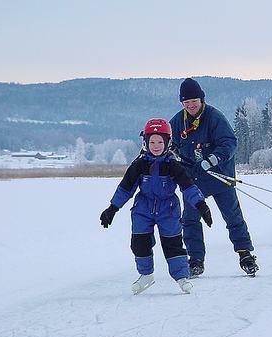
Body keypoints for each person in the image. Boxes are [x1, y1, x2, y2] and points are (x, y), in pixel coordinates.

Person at [99, 118, 213, 294]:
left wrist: (201, 205)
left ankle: (181, 277)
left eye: (160, 141)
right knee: (139, 243)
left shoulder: (173, 165)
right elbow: (125, 188)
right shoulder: (139, 164)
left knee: (172, 244)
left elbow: (188, 186)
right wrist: (112, 208)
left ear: (167, 142)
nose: (156, 145)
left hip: (168, 209)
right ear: (145, 142)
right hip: (142, 209)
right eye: (152, 141)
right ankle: (146, 275)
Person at [169, 77, 259, 277]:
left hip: (220, 177)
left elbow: (229, 143)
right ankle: (195, 261)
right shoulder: (176, 122)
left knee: (233, 217)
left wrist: (210, 161)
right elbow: (169, 145)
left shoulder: (214, 117)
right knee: (190, 220)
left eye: (194, 101)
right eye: (187, 102)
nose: (191, 105)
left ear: (201, 99)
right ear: (182, 103)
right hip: (193, 181)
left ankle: (245, 254)